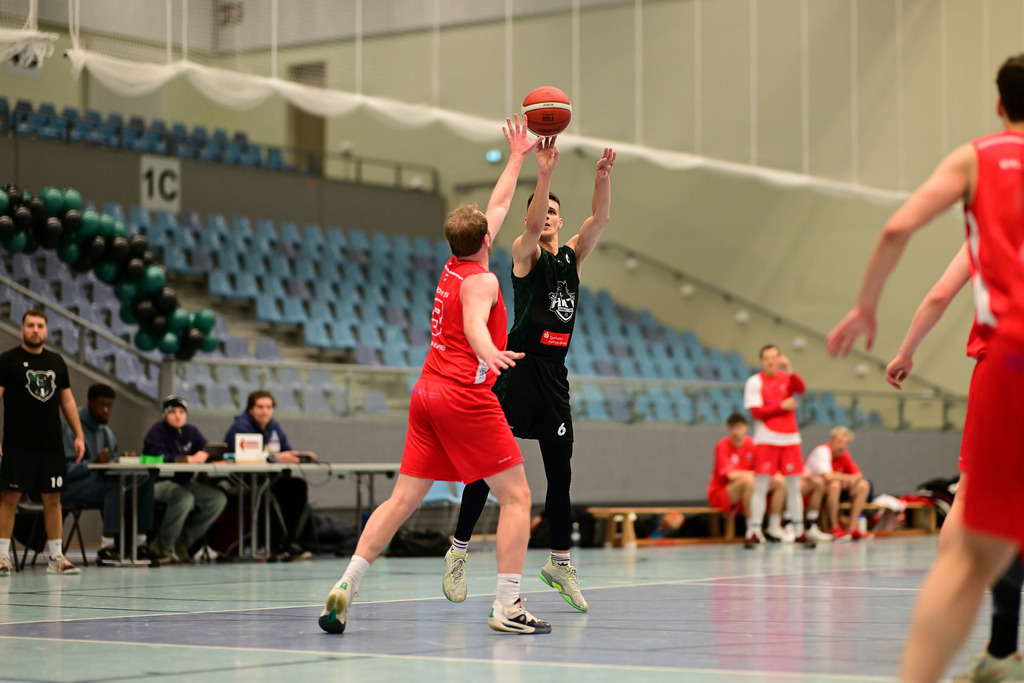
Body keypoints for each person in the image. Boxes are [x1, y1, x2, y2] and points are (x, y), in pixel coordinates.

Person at [826, 54, 1024, 682]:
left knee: (966, 549)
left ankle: (970, 662)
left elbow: (901, 233)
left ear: (998, 104)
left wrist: (867, 309)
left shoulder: (978, 161)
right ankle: (999, 652)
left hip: (1010, 363)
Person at [319, 115, 551, 635]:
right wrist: (490, 351)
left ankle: (347, 584)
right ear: (486, 240)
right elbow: (474, 322)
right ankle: (507, 606)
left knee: (402, 498)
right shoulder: (482, 281)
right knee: (517, 497)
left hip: (425, 393)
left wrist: (517, 157)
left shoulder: (453, 266)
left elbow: (498, 204)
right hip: (462, 398)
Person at [441, 138, 617, 612]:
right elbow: (533, 221)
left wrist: (602, 178)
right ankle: (458, 551)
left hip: (555, 377)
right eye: (542, 212)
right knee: (489, 469)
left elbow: (599, 220)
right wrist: (543, 174)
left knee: (560, 477)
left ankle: (559, 562)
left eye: (554, 212)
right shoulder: (526, 253)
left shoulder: (572, 257)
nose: (547, 218)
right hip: (517, 372)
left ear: (561, 221)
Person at [886, 244, 1024, 682]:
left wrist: (906, 351)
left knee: (972, 498)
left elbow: (939, 295)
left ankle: (957, 602)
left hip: (1004, 369)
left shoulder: (985, 229)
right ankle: (1000, 645)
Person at [0, 309, 85, 575]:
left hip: (50, 446)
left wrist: (79, 435)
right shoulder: (8, 361)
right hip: (17, 444)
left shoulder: (56, 361)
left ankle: (56, 558)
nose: (35, 330)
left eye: (40, 326)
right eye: (30, 325)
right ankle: (2, 556)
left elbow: (67, 400)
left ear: (46, 330)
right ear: (22, 329)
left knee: (53, 499)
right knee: (10, 497)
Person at [62, 383, 170, 565]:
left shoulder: (106, 432)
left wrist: (119, 460)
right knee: (114, 484)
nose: (106, 410)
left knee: (144, 481)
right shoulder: (72, 427)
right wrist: (91, 463)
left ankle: (140, 545)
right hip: (70, 486)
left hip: (98, 485)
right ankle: (108, 546)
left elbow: (108, 463)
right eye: (101, 405)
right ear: (90, 403)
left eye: (109, 406)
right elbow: (64, 471)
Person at [222, 390, 315, 560]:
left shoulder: (273, 426)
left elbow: (285, 450)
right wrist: (276, 457)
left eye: (268, 407)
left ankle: (290, 541)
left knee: (297, 486)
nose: (265, 411)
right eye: (260, 407)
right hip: (244, 481)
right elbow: (247, 457)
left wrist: (298, 455)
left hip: (269, 479)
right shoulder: (241, 427)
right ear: (251, 409)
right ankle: (275, 545)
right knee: (265, 495)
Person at [742, 344, 816, 548]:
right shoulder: (754, 382)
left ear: (779, 358)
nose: (771, 361)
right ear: (761, 361)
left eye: (774, 357)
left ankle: (800, 531)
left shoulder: (786, 377)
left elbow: (801, 388)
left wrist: (790, 367)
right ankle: (754, 531)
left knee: (794, 487)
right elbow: (756, 412)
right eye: (766, 358)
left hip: (790, 439)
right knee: (761, 486)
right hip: (766, 439)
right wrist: (780, 406)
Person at [143, 395, 227, 563]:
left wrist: (212, 457)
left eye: (181, 412)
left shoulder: (191, 432)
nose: (178, 416)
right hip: (156, 483)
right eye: (173, 412)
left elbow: (204, 450)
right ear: (165, 415)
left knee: (217, 499)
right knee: (183, 498)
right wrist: (187, 459)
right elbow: (152, 459)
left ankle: (183, 542)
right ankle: (162, 547)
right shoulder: (156, 432)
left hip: (184, 482)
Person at [706, 412, 797, 542]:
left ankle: (774, 526)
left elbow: (764, 468)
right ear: (728, 429)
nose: (736, 431)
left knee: (779, 481)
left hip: (751, 489)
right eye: (733, 428)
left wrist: (766, 476)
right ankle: (753, 529)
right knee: (749, 482)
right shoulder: (722, 445)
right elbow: (731, 475)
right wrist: (757, 475)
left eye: (739, 427)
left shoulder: (752, 444)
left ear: (745, 428)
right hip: (722, 492)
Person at [803, 427, 872, 541]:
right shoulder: (822, 451)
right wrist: (847, 478)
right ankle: (834, 527)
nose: (842, 446)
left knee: (863, 485)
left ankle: (852, 527)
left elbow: (859, 475)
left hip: (835, 493)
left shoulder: (844, 455)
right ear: (832, 440)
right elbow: (828, 476)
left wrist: (848, 480)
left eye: (845, 443)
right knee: (835, 484)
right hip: (814, 492)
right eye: (839, 442)